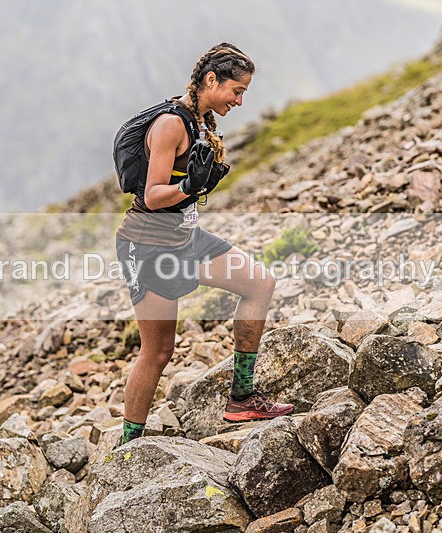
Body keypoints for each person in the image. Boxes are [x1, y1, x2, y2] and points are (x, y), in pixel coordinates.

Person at [114, 43, 293, 445]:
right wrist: (190, 185)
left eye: (245, 92)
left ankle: (242, 397)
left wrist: (200, 185)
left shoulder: (201, 120)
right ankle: (127, 446)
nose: (240, 100)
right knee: (158, 351)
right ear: (211, 80)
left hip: (185, 237)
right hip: (148, 246)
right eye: (236, 90)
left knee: (259, 283)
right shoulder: (171, 124)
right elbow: (154, 194)